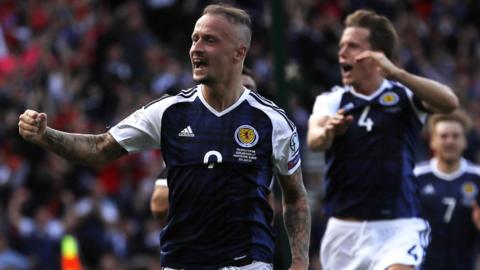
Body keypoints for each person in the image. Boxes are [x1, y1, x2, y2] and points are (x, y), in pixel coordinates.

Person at [18, 4, 311, 270]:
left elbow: (296, 197)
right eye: (194, 39)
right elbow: (99, 147)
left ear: (239, 52)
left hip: (247, 265)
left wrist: (299, 262)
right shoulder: (169, 112)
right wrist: (47, 136)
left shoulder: (272, 122)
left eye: (210, 40)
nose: (196, 48)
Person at [306, 9, 458, 270]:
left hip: (397, 227)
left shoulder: (405, 96)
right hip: (344, 231)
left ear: (377, 55)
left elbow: (449, 102)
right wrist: (330, 131)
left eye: (352, 46)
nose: (342, 52)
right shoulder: (331, 101)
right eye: (341, 45)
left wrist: (397, 73)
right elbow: (314, 140)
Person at [149, 67, 276, 220]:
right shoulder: (190, 138)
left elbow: (269, 207)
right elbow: (159, 205)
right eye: (242, 89)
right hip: (197, 235)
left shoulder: (263, 141)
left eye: (251, 90)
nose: (247, 94)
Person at [414, 110, 480, 270]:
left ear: (465, 141)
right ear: (432, 141)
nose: (450, 141)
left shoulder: (476, 176)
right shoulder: (416, 176)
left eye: (456, 136)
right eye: (443, 136)